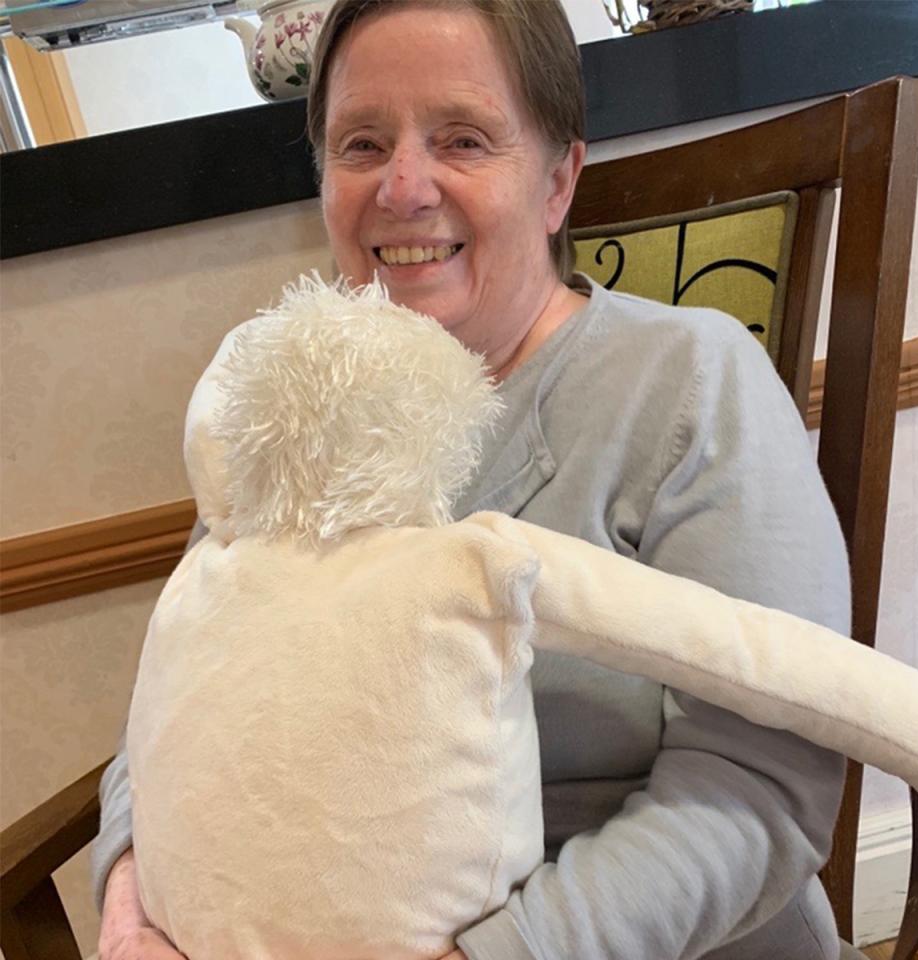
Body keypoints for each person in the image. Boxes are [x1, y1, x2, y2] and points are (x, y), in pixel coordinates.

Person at [94, 2, 851, 959]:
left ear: (557, 180)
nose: (404, 187)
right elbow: (175, 705)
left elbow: (764, 783)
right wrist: (132, 908)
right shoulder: (286, 415)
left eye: (463, 138)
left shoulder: (689, 383)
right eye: (361, 143)